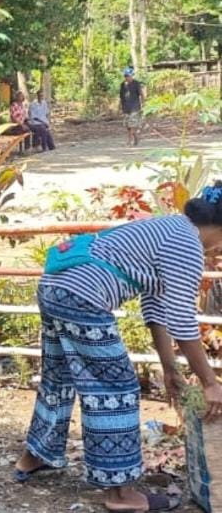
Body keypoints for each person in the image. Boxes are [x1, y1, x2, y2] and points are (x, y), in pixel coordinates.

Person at [15, 184, 222, 512]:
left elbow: (156, 307)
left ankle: (34, 456)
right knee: (116, 387)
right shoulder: (188, 245)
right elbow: (183, 321)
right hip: (83, 297)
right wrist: (211, 383)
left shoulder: (169, 227)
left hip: (56, 286)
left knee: (59, 377)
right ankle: (120, 494)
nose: (218, 250)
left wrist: (169, 368)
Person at [120, 67, 147, 147]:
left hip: (135, 108)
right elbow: (121, 97)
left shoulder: (136, 84)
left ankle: (129, 141)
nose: (127, 77)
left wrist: (144, 104)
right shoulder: (122, 85)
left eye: (128, 75)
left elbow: (141, 95)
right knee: (127, 126)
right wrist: (119, 107)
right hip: (126, 108)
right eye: (125, 76)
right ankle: (135, 137)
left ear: (132, 75)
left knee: (132, 125)